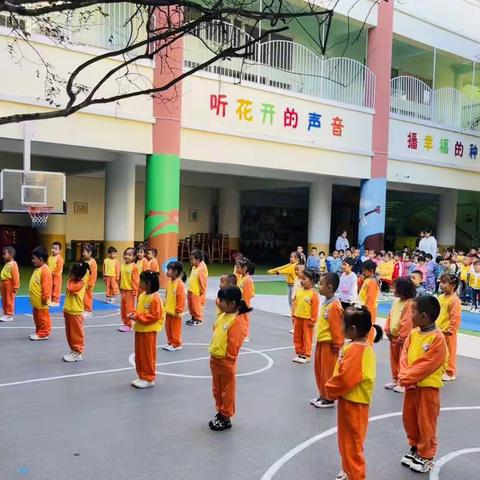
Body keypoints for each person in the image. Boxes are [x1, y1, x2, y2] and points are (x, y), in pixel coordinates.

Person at [325, 307, 382, 480]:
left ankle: (356, 476)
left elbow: (346, 378)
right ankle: (349, 471)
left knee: (352, 444)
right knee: (346, 441)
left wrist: (329, 388)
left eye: (343, 323)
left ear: (353, 330)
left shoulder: (358, 350)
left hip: (355, 404)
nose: (340, 326)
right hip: (349, 400)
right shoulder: (355, 346)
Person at [398, 295, 448, 473]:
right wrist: (404, 374)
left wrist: (406, 376)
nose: (410, 315)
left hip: (427, 389)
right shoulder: (413, 333)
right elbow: (405, 356)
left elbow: (427, 364)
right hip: (412, 387)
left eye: (413, 312)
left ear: (424, 316)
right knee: (409, 418)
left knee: (426, 421)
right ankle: (415, 447)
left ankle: (426, 454)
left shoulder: (437, 339)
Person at [208, 286, 250, 431]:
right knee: (217, 389)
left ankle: (226, 417)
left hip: (225, 361)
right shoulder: (223, 316)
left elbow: (234, 343)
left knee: (227, 390)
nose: (219, 303)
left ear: (232, 303)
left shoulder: (236, 320)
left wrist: (229, 360)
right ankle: (220, 411)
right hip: (215, 359)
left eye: (222, 301)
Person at [311, 273, 344, 408]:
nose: (319, 286)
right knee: (319, 370)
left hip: (329, 344)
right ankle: (322, 394)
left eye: (321, 283)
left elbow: (336, 327)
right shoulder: (327, 303)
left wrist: (337, 344)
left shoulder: (335, 306)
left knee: (327, 372)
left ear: (329, 287)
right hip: (321, 342)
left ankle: (328, 397)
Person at [129, 270, 165, 389]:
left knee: (147, 355)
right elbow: (140, 311)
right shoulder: (142, 295)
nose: (140, 283)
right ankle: (142, 375)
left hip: (148, 331)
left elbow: (155, 315)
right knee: (140, 355)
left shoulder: (155, 298)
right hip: (140, 329)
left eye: (142, 281)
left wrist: (138, 316)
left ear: (148, 283)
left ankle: (149, 378)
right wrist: (134, 314)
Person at [384, 277, 416, 393]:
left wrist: (402, 336)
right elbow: (390, 315)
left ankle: (403, 382)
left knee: (404, 360)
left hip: (402, 338)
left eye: (395, 287)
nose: (392, 289)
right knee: (394, 359)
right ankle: (395, 379)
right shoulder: (396, 301)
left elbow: (407, 321)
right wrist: (387, 330)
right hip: (394, 336)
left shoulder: (409, 304)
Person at [436, 273, 461, 381]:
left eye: (444, 283)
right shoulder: (441, 297)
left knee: (449, 352)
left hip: (448, 332)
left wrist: (450, 330)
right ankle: (440, 369)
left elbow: (455, 317)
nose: (441, 285)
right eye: (441, 282)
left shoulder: (454, 300)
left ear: (453, 285)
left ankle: (450, 372)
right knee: (439, 352)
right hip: (438, 329)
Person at [292, 269, 320, 364]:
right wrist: (293, 314)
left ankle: (306, 354)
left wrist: (313, 319)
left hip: (307, 320)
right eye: (301, 279)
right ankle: (299, 353)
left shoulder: (313, 294)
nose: (301, 281)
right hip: (297, 317)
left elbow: (315, 309)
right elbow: (295, 304)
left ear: (311, 281)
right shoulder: (299, 291)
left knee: (307, 337)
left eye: (304, 279)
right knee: (297, 336)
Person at [63, 262, 89, 362]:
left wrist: (70, 280)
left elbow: (71, 289)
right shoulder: (72, 281)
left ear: (77, 275)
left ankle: (77, 353)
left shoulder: (80, 284)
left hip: (76, 312)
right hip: (68, 310)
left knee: (76, 334)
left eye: (71, 273)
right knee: (69, 333)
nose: (69, 274)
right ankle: (73, 350)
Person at [29, 246, 53, 341]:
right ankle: (39, 331)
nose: (32, 260)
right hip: (36, 302)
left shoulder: (45, 270)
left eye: (34, 258)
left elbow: (46, 286)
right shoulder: (38, 269)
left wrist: (45, 298)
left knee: (43, 318)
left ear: (41, 259)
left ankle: (44, 333)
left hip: (41, 302)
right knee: (37, 318)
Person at [163, 260, 186, 351]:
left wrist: (178, 310)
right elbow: (167, 294)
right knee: (168, 328)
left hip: (175, 312)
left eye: (169, 270)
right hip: (169, 310)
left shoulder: (179, 284)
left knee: (175, 329)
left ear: (175, 272)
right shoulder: (170, 282)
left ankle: (176, 344)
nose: (167, 271)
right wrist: (165, 303)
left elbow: (181, 298)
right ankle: (170, 342)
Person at [358, 260, 379, 344]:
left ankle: (368, 348)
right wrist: (360, 280)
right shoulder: (367, 280)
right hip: (363, 308)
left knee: (368, 330)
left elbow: (371, 298)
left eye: (364, 271)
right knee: (363, 330)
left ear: (371, 271)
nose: (362, 272)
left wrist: (367, 312)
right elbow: (360, 288)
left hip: (369, 310)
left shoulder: (372, 282)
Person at [118, 247, 139, 333]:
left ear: (134, 257)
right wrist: (119, 286)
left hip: (130, 291)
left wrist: (134, 290)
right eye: (126, 254)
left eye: (129, 255)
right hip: (123, 290)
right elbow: (120, 277)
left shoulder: (134, 267)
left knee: (129, 309)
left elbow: (135, 280)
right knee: (123, 308)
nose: (127, 256)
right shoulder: (122, 265)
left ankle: (129, 324)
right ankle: (125, 323)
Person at [235, 257, 255, 342]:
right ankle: (240, 333)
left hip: (243, 304)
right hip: (239, 302)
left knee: (244, 320)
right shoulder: (241, 277)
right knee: (239, 320)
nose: (236, 268)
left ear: (245, 268)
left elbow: (248, 294)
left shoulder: (247, 280)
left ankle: (244, 335)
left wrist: (244, 305)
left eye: (238, 267)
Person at [186, 249, 208, 326]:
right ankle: (193, 318)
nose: (190, 261)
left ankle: (198, 319)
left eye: (192, 259)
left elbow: (203, 282)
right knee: (191, 306)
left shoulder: (202, 268)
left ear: (198, 259)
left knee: (196, 306)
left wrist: (201, 292)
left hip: (196, 292)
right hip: (191, 291)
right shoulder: (194, 267)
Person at [0, 246, 20, 322]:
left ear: (11, 254)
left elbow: (16, 276)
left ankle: (9, 314)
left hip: (9, 284)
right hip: (4, 283)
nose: (3, 256)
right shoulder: (7, 264)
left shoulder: (13, 264)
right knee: (4, 299)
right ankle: (5, 313)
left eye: (5, 254)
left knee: (9, 299)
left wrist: (16, 286)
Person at [82, 243, 97, 318]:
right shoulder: (85, 261)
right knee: (83, 297)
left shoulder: (92, 262)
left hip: (88, 284)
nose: (83, 253)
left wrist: (90, 284)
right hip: (83, 283)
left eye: (84, 251)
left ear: (90, 253)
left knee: (88, 297)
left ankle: (88, 310)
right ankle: (84, 309)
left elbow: (93, 274)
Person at [48, 241, 64, 307]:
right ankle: (51, 299)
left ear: (59, 250)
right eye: (53, 248)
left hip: (57, 276)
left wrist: (53, 273)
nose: (53, 250)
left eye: (56, 249)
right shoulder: (50, 257)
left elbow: (59, 268)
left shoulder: (59, 258)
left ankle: (56, 301)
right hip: (50, 275)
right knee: (50, 287)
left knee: (56, 288)